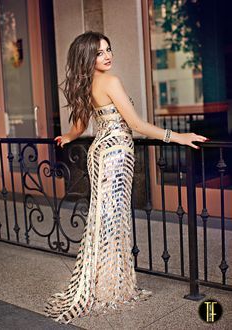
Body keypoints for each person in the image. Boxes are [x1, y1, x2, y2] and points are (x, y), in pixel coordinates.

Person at [44, 31, 209, 324]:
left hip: (100, 154)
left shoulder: (87, 84)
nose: (107, 55)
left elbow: (81, 124)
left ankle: (105, 283)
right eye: (99, 52)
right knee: (111, 220)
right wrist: (179, 136)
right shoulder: (111, 81)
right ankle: (109, 287)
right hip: (115, 155)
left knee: (103, 220)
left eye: (108, 49)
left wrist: (67, 137)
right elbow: (136, 124)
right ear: (87, 57)